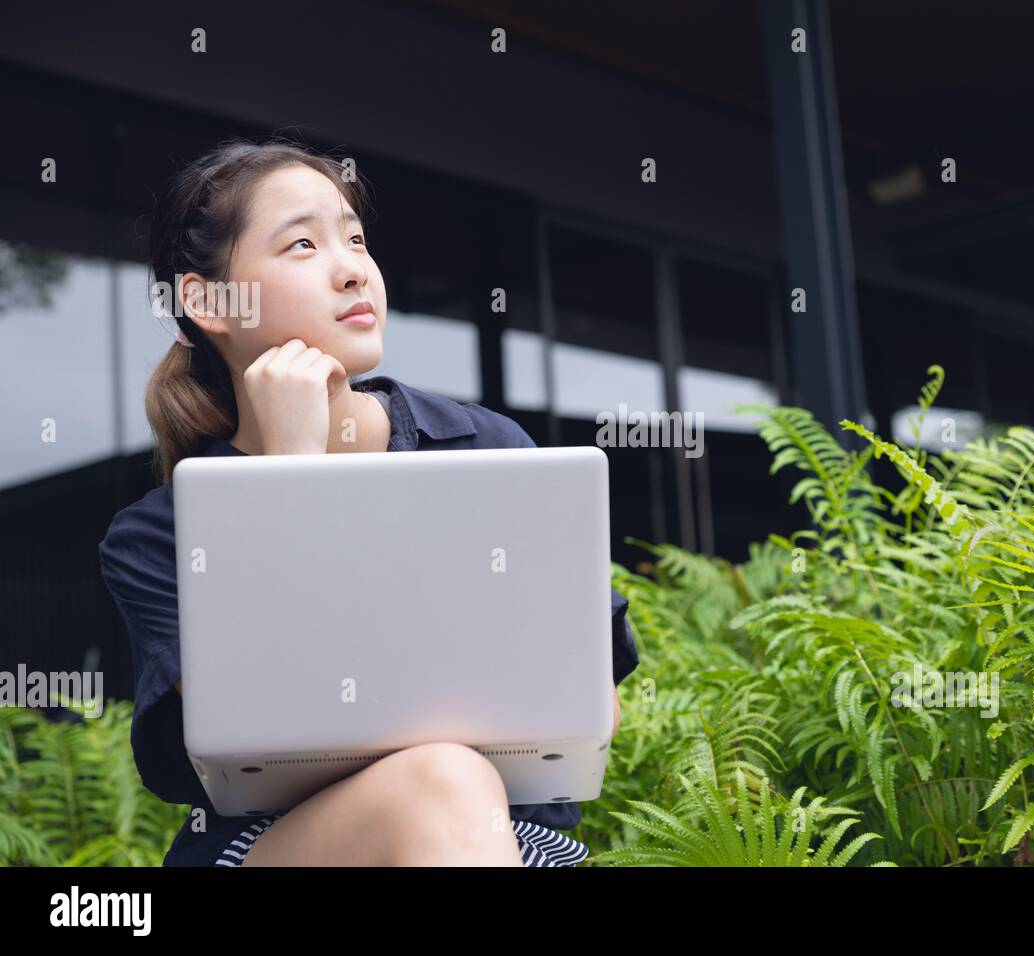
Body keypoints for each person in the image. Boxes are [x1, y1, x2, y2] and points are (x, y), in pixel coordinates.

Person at [97, 137, 640, 867]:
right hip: (275, 847)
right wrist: (290, 472)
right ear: (209, 301)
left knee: (451, 784)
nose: (353, 268)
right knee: (443, 776)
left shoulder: (489, 450)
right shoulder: (162, 535)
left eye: (354, 237)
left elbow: (590, 713)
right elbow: (249, 734)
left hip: (505, 841)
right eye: (302, 245)